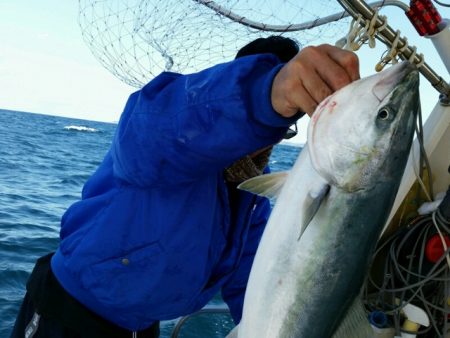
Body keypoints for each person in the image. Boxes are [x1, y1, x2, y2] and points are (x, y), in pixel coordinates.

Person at [11, 36, 359, 338]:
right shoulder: (173, 132)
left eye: (288, 122)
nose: (268, 138)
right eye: (281, 112)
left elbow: (251, 285)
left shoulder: (255, 196)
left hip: (141, 327)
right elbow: (149, 125)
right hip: (68, 312)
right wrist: (263, 93)